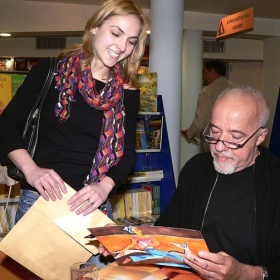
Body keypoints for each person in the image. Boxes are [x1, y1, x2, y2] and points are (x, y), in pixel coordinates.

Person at [0, 0, 149, 267]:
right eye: (116, 33)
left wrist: (105, 187)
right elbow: (7, 124)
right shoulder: (50, 71)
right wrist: (33, 170)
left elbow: (126, 154)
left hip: (92, 210)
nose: (122, 47)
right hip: (41, 202)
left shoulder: (127, 93)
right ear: (94, 28)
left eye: (131, 41)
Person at [156, 85, 280, 279]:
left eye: (235, 137)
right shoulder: (196, 168)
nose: (219, 146)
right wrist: (128, 243)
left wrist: (245, 273)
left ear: (260, 136)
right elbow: (170, 225)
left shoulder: (275, 182)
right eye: (215, 132)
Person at [181, 60, 235, 151]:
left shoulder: (208, 91)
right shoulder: (237, 89)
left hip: (216, 145)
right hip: (235, 143)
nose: (204, 77)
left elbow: (202, 120)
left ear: (213, 71)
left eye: (205, 73)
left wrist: (189, 133)